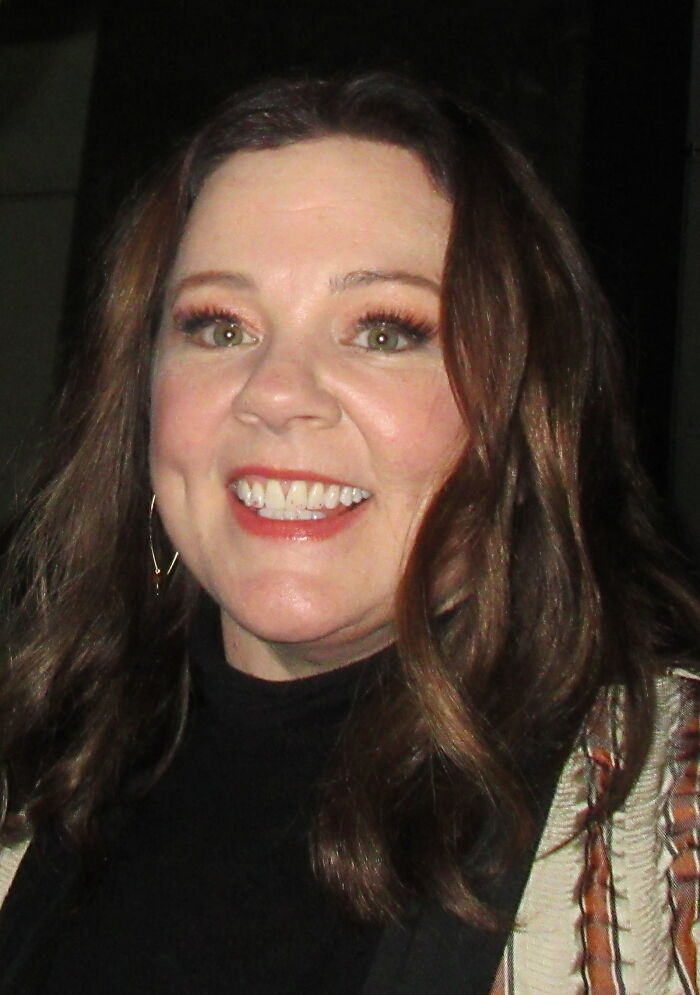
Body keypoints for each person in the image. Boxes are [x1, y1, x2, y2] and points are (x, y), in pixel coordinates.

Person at [0, 71, 698, 994]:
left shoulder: (670, 821)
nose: (276, 392)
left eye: (383, 331)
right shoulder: (35, 764)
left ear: (527, 405)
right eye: (220, 326)